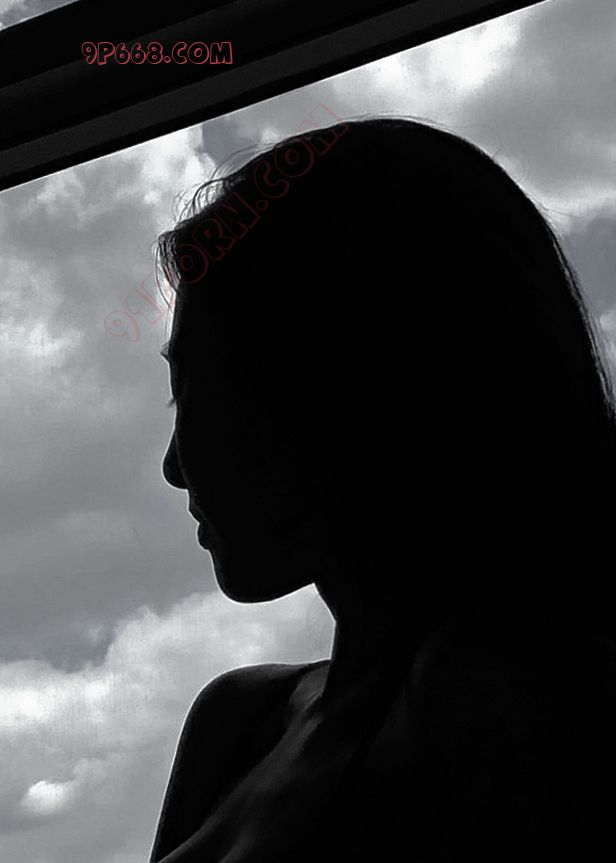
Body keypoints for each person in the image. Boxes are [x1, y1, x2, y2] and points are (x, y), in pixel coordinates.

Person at [150, 117, 616, 862]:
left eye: (202, 390)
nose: (175, 465)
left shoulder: (515, 710)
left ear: (348, 383)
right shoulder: (235, 720)